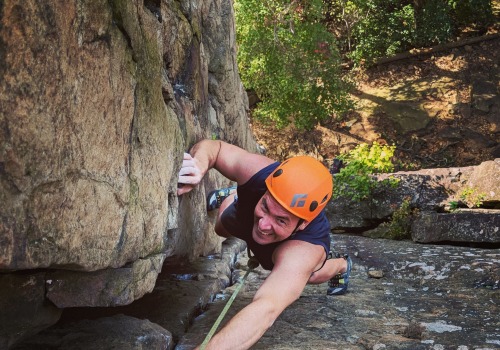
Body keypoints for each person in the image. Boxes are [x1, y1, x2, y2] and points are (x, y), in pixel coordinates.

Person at [177, 139, 352, 350]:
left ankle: (341, 264)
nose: (264, 224)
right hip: (245, 213)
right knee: (221, 227)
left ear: (303, 223)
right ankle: (234, 194)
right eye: (267, 206)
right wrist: (198, 164)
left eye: (281, 220)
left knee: (312, 275)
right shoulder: (260, 172)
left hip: (286, 250)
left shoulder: (305, 250)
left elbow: (266, 308)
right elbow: (215, 148)